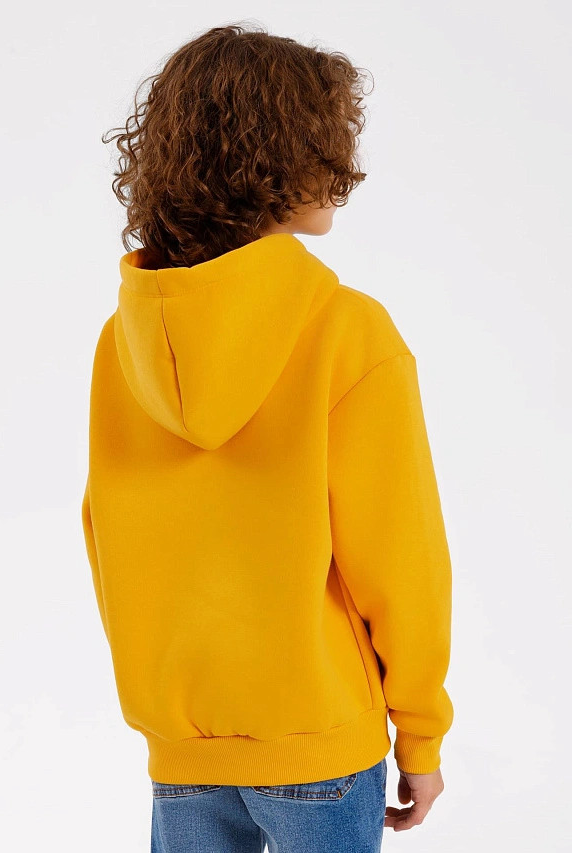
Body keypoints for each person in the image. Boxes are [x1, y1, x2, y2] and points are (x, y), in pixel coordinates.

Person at [82, 22, 454, 853]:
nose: (343, 171)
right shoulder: (345, 331)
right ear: (281, 162)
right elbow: (400, 556)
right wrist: (421, 733)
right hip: (317, 741)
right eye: (329, 144)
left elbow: (107, 537)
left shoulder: (126, 339)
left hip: (182, 746)